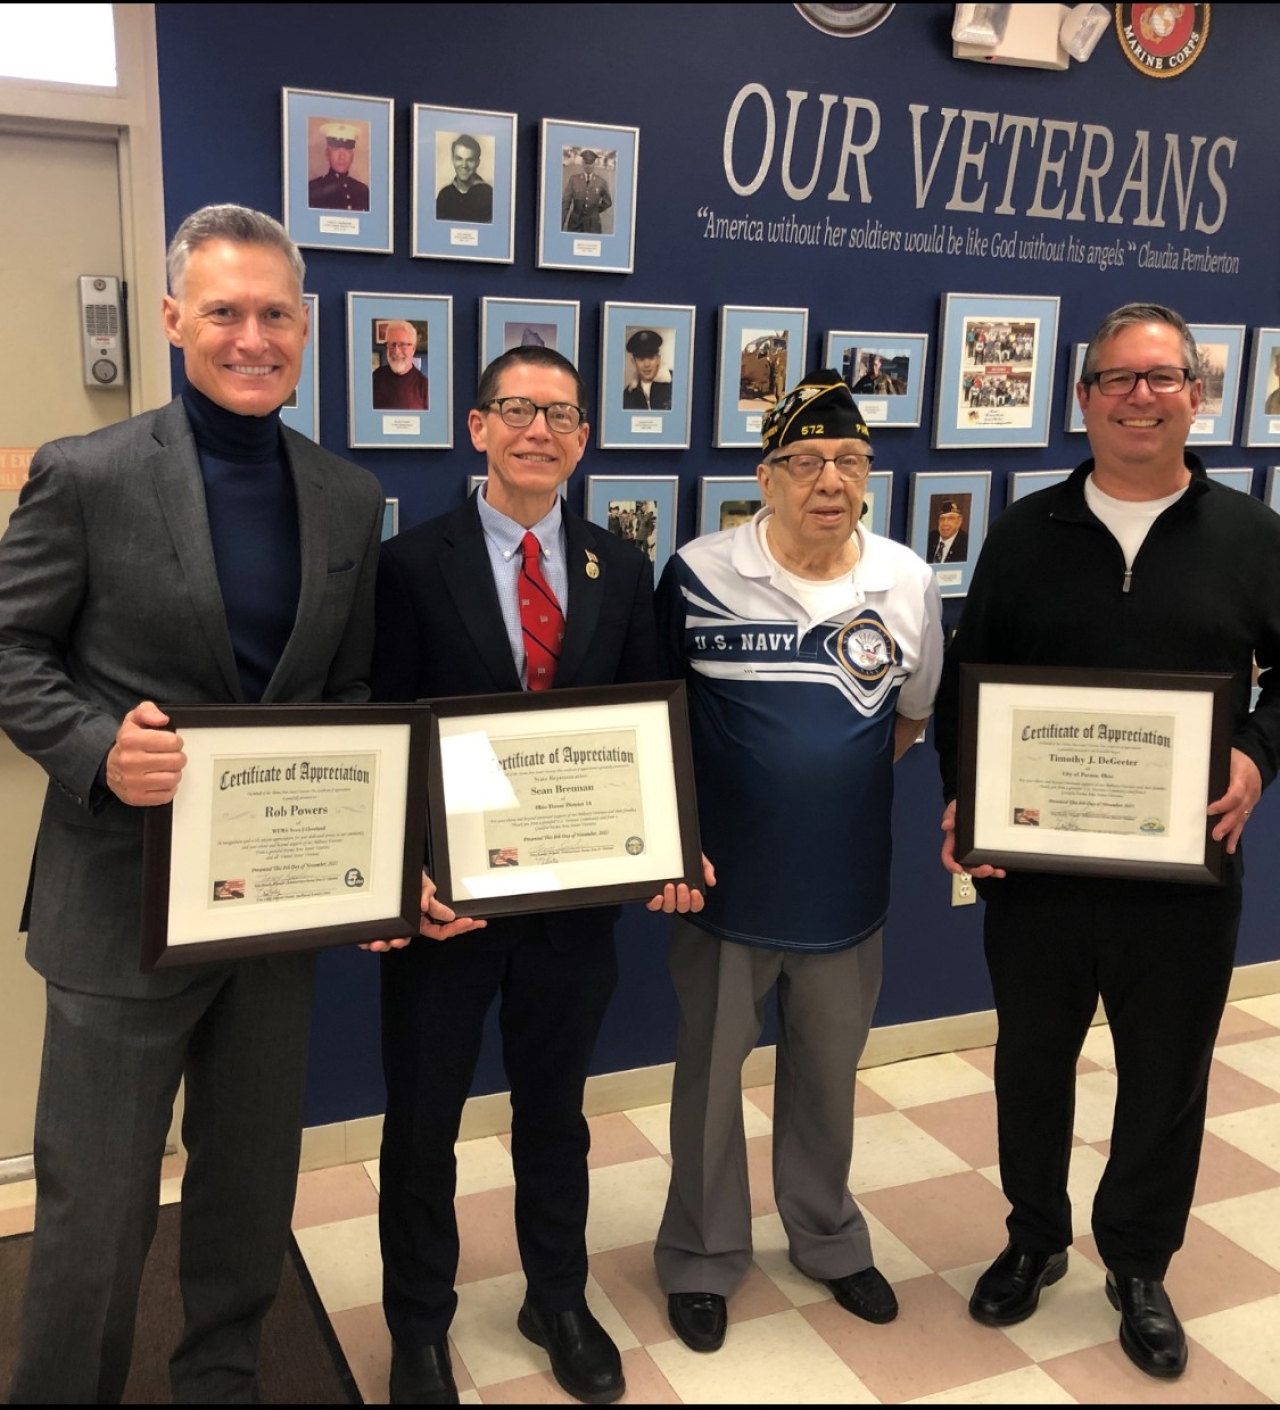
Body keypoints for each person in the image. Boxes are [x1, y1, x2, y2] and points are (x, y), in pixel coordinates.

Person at [0, 203, 384, 1402]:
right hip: (119, 904)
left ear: (307, 329)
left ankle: (219, 1379)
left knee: (248, 1181)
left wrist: (370, 854)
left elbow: (351, 692)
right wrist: (97, 744)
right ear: (174, 321)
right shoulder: (87, 474)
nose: (251, 337)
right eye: (224, 312)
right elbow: (10, 652)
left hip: (270, 907)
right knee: (96, 1203)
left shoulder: (343, 495)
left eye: (275, 314)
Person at [935, 302, 1280, 1380]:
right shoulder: (1022, 533)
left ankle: (1136, 1262)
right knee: (1029, 1064)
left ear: (1194, 396)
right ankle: (1031, 1235)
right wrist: (965, 804)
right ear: (1080, 399)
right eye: (1118, 380)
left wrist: (1256, 754)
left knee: (1164, 1074)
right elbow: (966, 688)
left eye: (1161, 378)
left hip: (1181, 874)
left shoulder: (1251, 539)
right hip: (1035, 871)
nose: (1140, 397)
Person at [370, 344, 705, 1406]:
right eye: (516, 409)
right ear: (475, 427)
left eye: (561, 415)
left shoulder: (618, 563)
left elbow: (647, 717)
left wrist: (668, 835)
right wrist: (401, 873)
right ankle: (418, 1321)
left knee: (554, 1110)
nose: (538, 431)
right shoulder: (409, 564)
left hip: (569, 906)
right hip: (449, 906)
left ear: (583, 438)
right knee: (422, 1122)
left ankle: (554, 1295)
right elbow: (383, 726)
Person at [652, 370, 943, 1353]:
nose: (830, 480)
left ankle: (824, 1235)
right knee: (706, 1081)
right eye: (806, 461)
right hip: (722, 889)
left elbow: (907, 721)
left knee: (827, 1073)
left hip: (844, 890)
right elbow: (656, 724)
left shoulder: (902, 582)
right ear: (764, 476)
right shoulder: (697, 573)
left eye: (850, 461)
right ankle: (698, 1253)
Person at [308, 121, 371, 211]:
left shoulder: (363, 191)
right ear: (327, 154)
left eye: (347, 151)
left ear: (352, 157)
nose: (342, 156)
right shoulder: (312, 189)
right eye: (336, 149)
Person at [435, 133, 493, 223]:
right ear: (452, 159)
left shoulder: (489, 195)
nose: (464, 165)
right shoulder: (444, 196)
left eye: (470, 160)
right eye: (459, 159)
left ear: (477, 163)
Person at [373, 320, 430, 411]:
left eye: (402, 345)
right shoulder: (375, 376)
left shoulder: (425, 386)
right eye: (392, 344)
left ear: (413, 349)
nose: (396, 352)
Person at [560, 149, 612, 233]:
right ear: (582, 164)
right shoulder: (574, 180)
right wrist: (560, 224)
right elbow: (566, 202)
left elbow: (608, 202)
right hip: (575, 223)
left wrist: (594, 211)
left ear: (594, 164)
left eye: (591, 164)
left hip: (593, 224)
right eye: (586, 163)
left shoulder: (601, 182)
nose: (588, 166)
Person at [621, 328, 672, 411]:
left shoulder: (675, 383)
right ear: (633, 362)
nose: (647, 365)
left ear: (658, 360)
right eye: (641, 359)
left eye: (651, 358)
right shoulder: (628, 394)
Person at [926, 499, 968, 564]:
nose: (945, 523)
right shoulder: (929, 539)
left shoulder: (966, 544)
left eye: (951, 518)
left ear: (959, 521)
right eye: (942, 519)